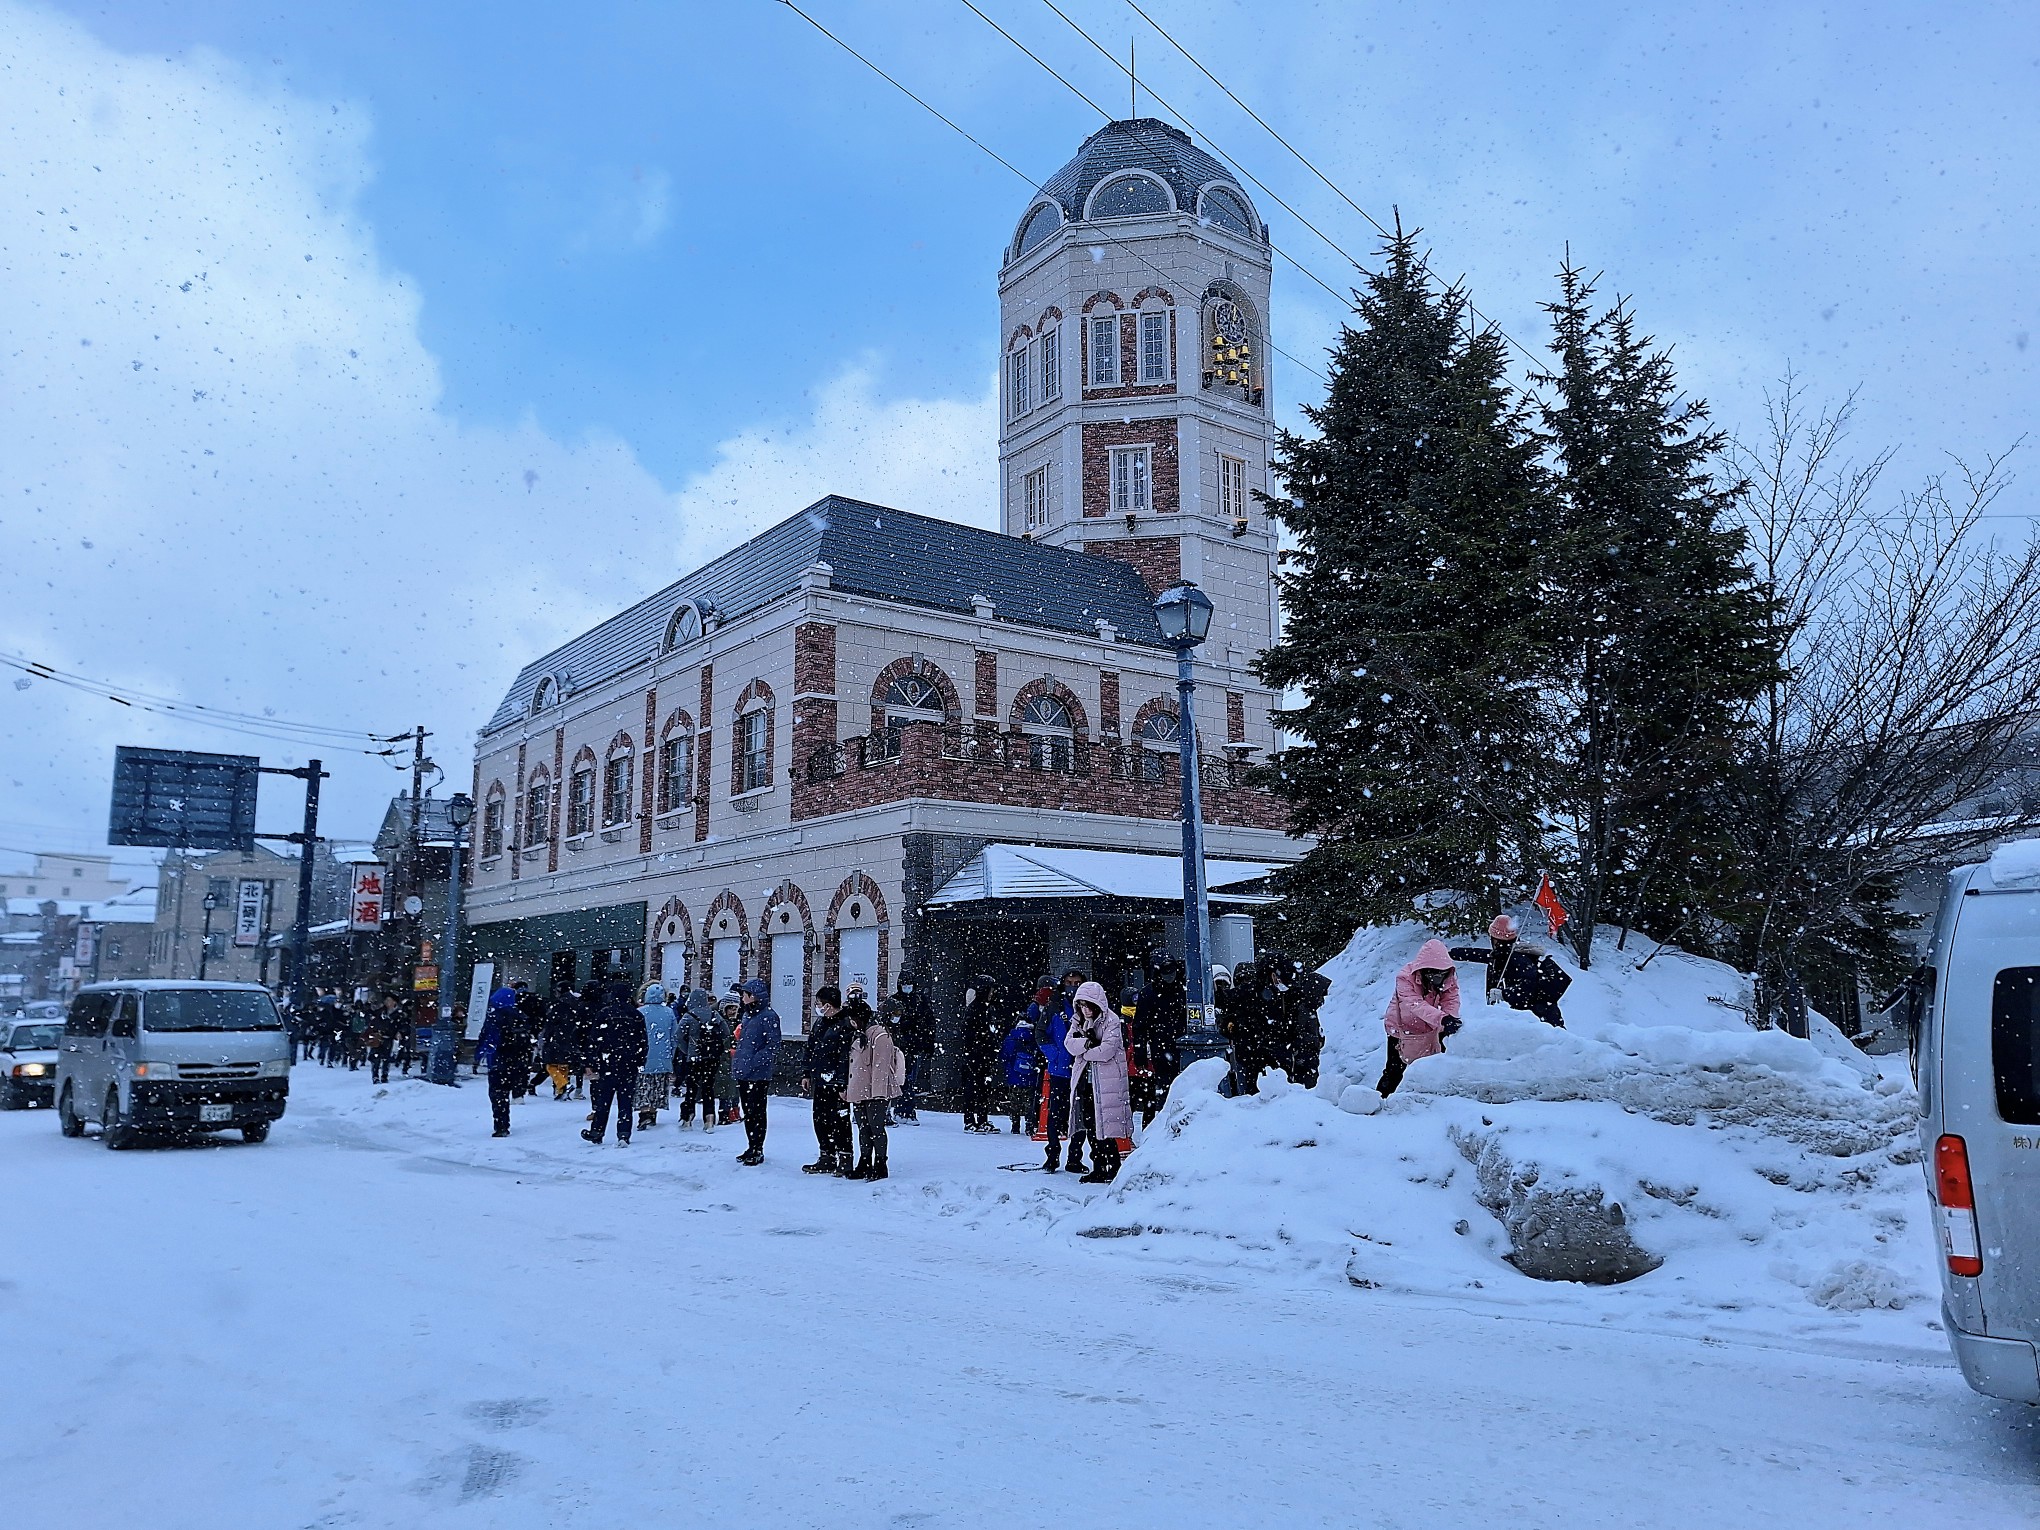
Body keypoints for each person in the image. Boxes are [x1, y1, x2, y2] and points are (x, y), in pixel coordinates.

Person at [1450, 915, 1572, 1027]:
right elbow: (1483, 955)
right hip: (1541, 1020)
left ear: (1495, 940)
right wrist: (1452, 953)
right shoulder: (1507, 955)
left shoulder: (1517, 960)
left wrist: (1503, 994)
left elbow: (1527, 991)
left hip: (1541, 1025)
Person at [1064, 981, 1130, 1183]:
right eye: (1081, 1006)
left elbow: (1108, 1049)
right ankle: (1099, 1166)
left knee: (1107, 1126)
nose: (1085, 1010)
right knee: (1092, 1126)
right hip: (1087, 1082)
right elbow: (1069, 1044)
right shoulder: (1078, 1021)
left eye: (1088, 1005)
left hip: (1107, 1082)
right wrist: (1087, 1043)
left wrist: (1085, 1051)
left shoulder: (1111, 1020)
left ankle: (1112, 1165)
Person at [1379, 939, 1461, 1096]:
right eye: (1434, 974)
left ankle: (1431, 1100)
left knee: (1437, 1066)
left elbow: (1451, 998)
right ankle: (1381, 1101)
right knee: (1395, 1070)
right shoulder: (1405, 978)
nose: (1438, 978)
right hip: (1402, 1029)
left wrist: (1450, 1017)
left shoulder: (1448, 977)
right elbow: (1414, 1004)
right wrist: (1442, 1018)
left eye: (1442, 974)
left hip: (1432, 1027)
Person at [842, 988, 904, 1180]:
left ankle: (880, 1163)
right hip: (861, 1089)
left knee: (876, 1127)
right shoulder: (858, 1035)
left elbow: (881, 1068)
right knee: (863, 1127)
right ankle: (865, 1161)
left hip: (876, 1091)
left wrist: (877, 1094)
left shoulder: (879, 1035)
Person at [581, 977, 648, 1145]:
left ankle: (597, 1131)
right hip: (629, 1062)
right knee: (625, 1101)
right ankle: (624, 1133)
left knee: (604, 1099)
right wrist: (640, 1061)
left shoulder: (605, 1013)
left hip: (608, 1061)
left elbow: (595, 1039)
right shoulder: (636, 1015)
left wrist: (591, 1061)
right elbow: (643, 1042)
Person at [802, 985, 857, 1175]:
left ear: (827, 1005)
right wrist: (806, 1072)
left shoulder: (845, 1024)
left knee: (840, 1120)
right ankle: (827, 1155)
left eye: (819, 1003)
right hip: (821, 1079)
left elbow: (845, 1057)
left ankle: (845, 1157)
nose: (817, 1007)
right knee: (820, 1118)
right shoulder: (820, 1023)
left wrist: (842, 1082)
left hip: (837, 1082)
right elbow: (810, 1048)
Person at [731, 977, 781, 1165]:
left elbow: (773, 1045)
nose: (742, 998)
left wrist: (753, 1061)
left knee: (757, 1111)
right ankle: (752, 1146)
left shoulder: (768, 1016)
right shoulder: (748, 1015)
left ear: (753, 996)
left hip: (758, 1073)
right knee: (748, 1111)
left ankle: (757, 1148)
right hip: (745, 1071)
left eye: (744, 994)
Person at [1032, 983, 1080, 1172]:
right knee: (1054, 1113)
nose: (1073, 987)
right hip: (1059, 1068)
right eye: (1069, 983)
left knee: (1078, 1115)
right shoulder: (1054, 1007)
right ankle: (1052, 1155)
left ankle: (1075, 1158)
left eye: (1077, 983)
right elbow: (1040, 1033)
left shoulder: (1086, 1006)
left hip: (1079, 1068)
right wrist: (1054, 1054)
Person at [1130, 960, 1185, 1124]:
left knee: (1167, 1090)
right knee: (1163, 1090)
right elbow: (1139, 1026)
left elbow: (1139, 1026)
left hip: (1171, 1046)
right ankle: (1162, 1125)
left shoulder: (1178, 990)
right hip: (1163, 1047)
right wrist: (1140, 1053)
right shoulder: (1150, 993)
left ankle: (1164, 1125)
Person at [959, 975, 1008, 1134]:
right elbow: (970, 1034)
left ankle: (982, 1119)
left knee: (983, 1089)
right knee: (973, 1088)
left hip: (983, 1054)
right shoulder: (975, 1010)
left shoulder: (987, 1008)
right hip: (975, 1055)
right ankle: (970, 1120)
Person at [884, 974, 935, 1124]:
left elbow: (928, 1022)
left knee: (909, 1079)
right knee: (900, 1079)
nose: (907, 988)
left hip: (913, 1045)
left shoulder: (919, 1000)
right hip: (899, 1046)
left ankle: (906, 1110)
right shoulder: (895, 1001)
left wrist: (927, 1043)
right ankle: (901, 1109)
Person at [676, 987, 724, 1131]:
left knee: (692, 1088)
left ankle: (688, 1119)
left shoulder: (689, 1016)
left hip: (694, 1057)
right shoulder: (714, 1014)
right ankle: (709, 1119)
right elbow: (725, 1032)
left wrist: (687, 1050)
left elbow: (678, 1036)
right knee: (708, 1088)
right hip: (711, 1057)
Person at [635, 981, 678, 1131]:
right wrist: (671, 1054)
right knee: (658, 1086)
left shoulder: (640, 1012)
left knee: (644, 1086)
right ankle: (653, 1112)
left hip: (644, 1056)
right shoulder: (669, 1012)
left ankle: (644, 1113)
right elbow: (674, 1036)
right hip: (663, 1056)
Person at [1000, 1010, 1046, 1132]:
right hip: (1030, 1076)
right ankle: (1029, 1125)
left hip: (1014, 1076)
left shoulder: (1011, 1037)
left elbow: (1004, 1056)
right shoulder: (1034, 1037)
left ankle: (1015, 1125)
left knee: (1015, 1102)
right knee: (1029, 1102)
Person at [542, 987, 583, 1100]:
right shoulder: (576, 1003)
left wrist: (548, 1035)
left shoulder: (557, 1005)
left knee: (551, 1065)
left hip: (557, 1037)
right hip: (571, 1038)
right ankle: (562, 1090)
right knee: (564, 1065)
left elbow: (551, 1022)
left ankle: (563, 1085)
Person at [365, 994, 401, 1085]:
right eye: (386, 1000)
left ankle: (384, 1076)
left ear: (394, 1002)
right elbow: (371, 1014)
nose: (387, 1002)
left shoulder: (398, 1014)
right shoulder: (381, 1011)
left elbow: (401, 1025)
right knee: (376, 1058)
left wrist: (400, 1032)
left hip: (389, 1038)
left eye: (389, 1000)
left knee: (386, 1058)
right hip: (378, 1037)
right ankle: (375, 1076)